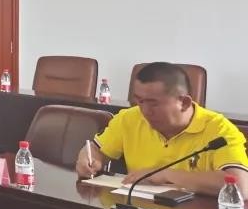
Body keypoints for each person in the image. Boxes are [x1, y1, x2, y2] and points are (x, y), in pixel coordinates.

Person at [75, 62, 248, 196]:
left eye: (153, 103)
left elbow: (241, 186)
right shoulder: (129, 118)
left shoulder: (219, 129)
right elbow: (95, 149)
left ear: (184, 102)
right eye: (139, 100)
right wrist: (89, 159)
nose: (144, 110)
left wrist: (167, 175)